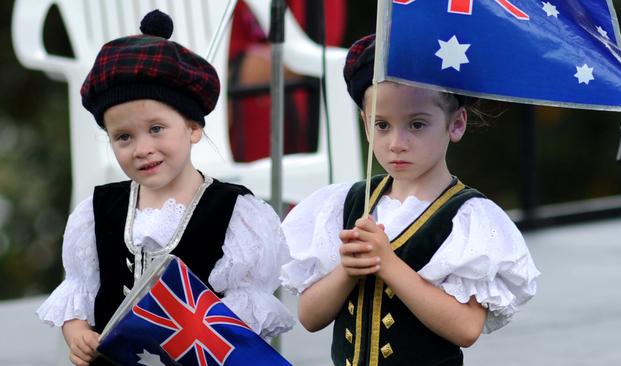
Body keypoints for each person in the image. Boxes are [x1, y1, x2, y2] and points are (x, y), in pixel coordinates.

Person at [36, 10, 293, 366]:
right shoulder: (96, 213)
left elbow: (239, 326)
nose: (142, 149)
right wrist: (79, 334)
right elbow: (78, 295)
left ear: (192, 128)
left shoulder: (233, 213)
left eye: (156, 128)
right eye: (124, 137)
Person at [280, 34, 540, 366]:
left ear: (456, 123)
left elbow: (466, 329)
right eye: (382, 125)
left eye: (416, 124)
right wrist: (346, 270)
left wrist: (387, 264)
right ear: (365, 123)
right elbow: (310, 317)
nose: (396, 143)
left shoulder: (467, 219)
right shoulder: (345, 204)